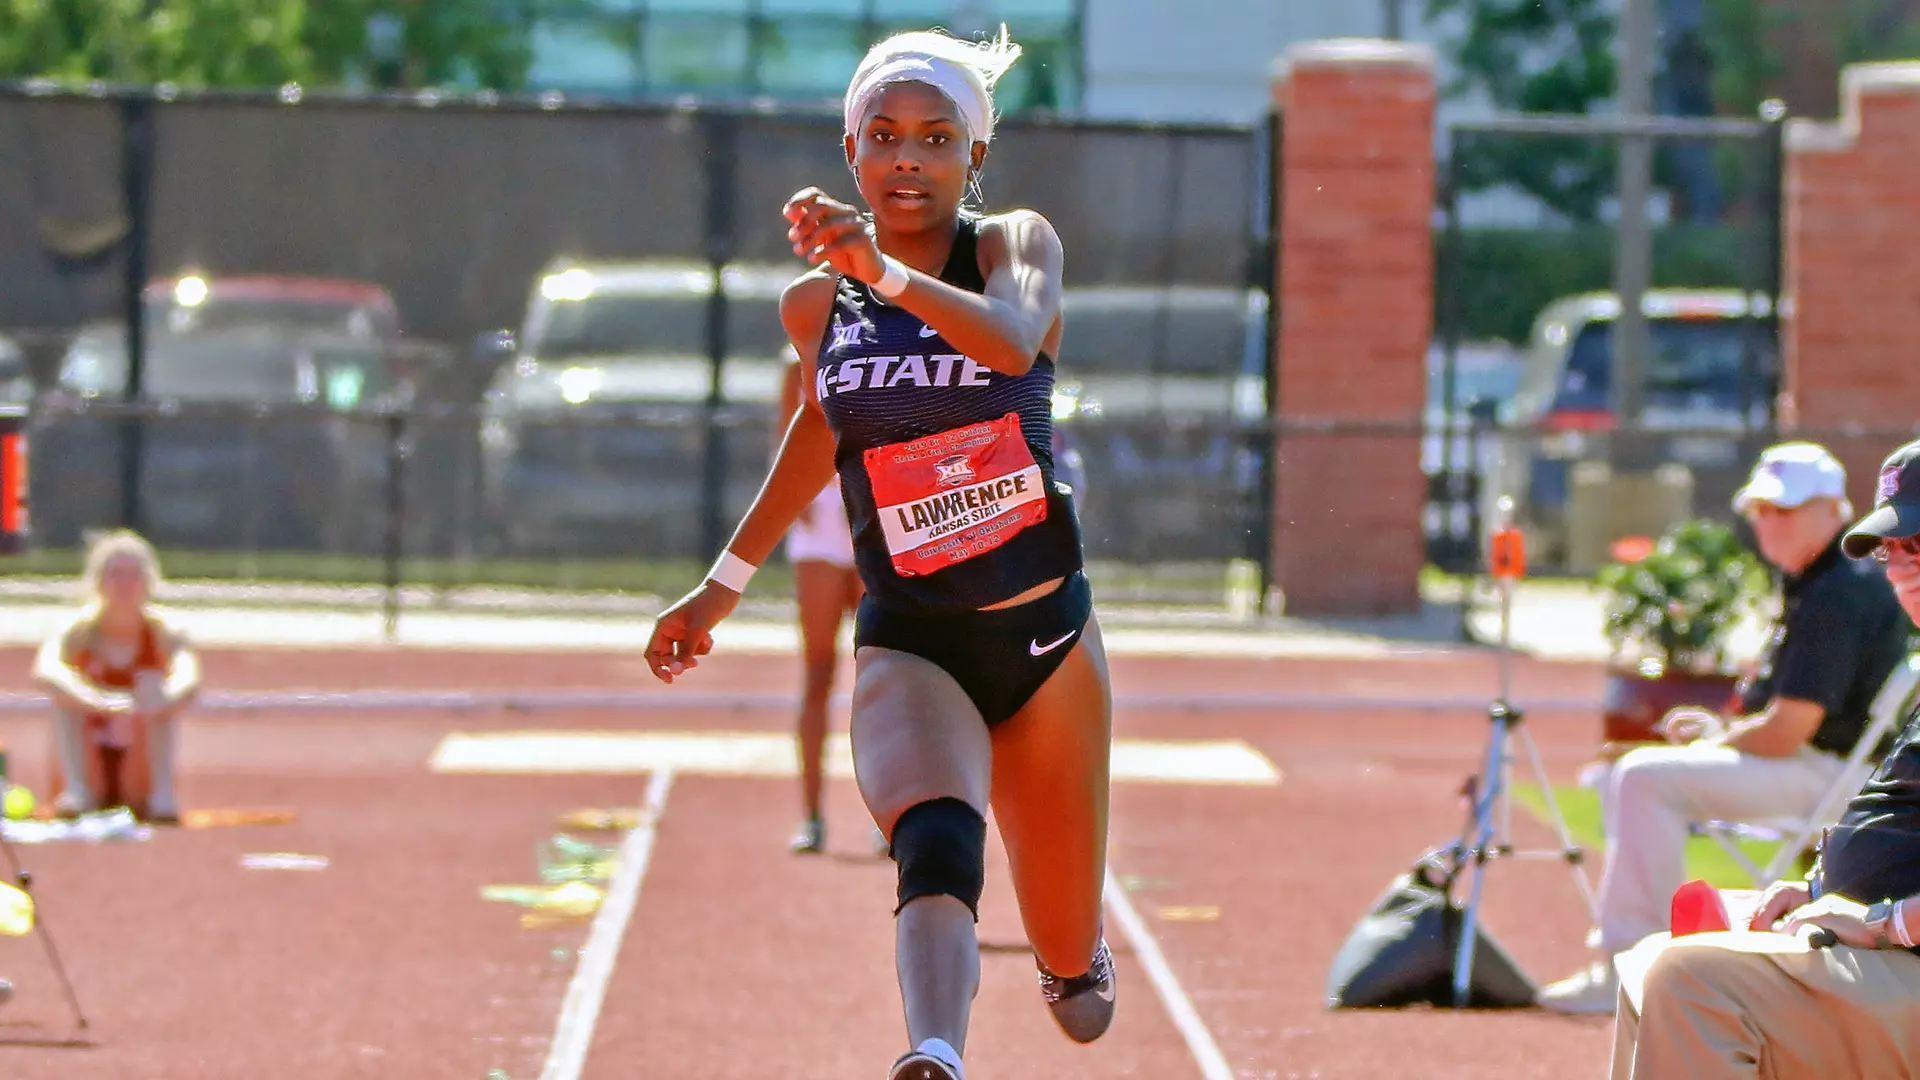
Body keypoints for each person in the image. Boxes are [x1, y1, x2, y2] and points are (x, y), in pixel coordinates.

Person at [642, 25, 1116, 1080]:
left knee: (1075, 991)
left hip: (1043, 639)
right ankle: (934, 1052)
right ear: (850, 151)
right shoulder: (817, 304)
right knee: (935, 843)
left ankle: (1074, 958)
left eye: (937, 138)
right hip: (913, 636)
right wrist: (720, 586)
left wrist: (886, 274)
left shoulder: (1014, 247)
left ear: (974, 156)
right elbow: (820, 428)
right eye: (885, 135)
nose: (909, 157)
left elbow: (1011, 340)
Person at [1540, 442, 1911, 1014]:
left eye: (1785, 509)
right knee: (1630, 775)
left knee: (1643, 777)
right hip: (1830, 772)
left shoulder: (1839, 591)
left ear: (1832, 510)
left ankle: (1626, 966)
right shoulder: (1821, 580)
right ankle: (1650, 961)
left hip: (1836, 778)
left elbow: (1788, 731)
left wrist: (1715, 738)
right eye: (1760, 509)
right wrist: (1720, 730)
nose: (1769, 523)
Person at [31, 530, 200, 823]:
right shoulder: (78, 630)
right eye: (115, 574)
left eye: (134, 575)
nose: (124, 584)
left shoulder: (165, 631)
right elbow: (47, 669)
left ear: (149, 581)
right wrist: (95, 698)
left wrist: (157, 699)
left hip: (137, 761)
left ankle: (161, 796)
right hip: (91, 754)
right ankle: (77, 791)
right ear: (98, 581)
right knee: (64, 699)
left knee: (159, 692)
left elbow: (189, 677)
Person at [775, 345, 867, 855]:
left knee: (881, 671)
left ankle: (890, 817)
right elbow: (785, 437)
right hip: (821, 518)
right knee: (818, 672)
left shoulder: (885, 340)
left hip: (875, 510)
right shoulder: (797, 360)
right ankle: (811, 816)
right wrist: (799, 501)